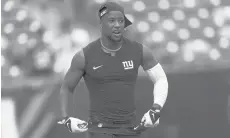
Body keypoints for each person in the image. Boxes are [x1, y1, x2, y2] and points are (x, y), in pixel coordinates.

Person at [58, 1, 168, 138]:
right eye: (111, 21)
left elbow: (160, 78)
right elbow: (67, 87)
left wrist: (156, 108)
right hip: (99, 130)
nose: (117, 25)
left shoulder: (139, 51)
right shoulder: (85, 55)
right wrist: (67, 117)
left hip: (130, 128)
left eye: (121, 21)